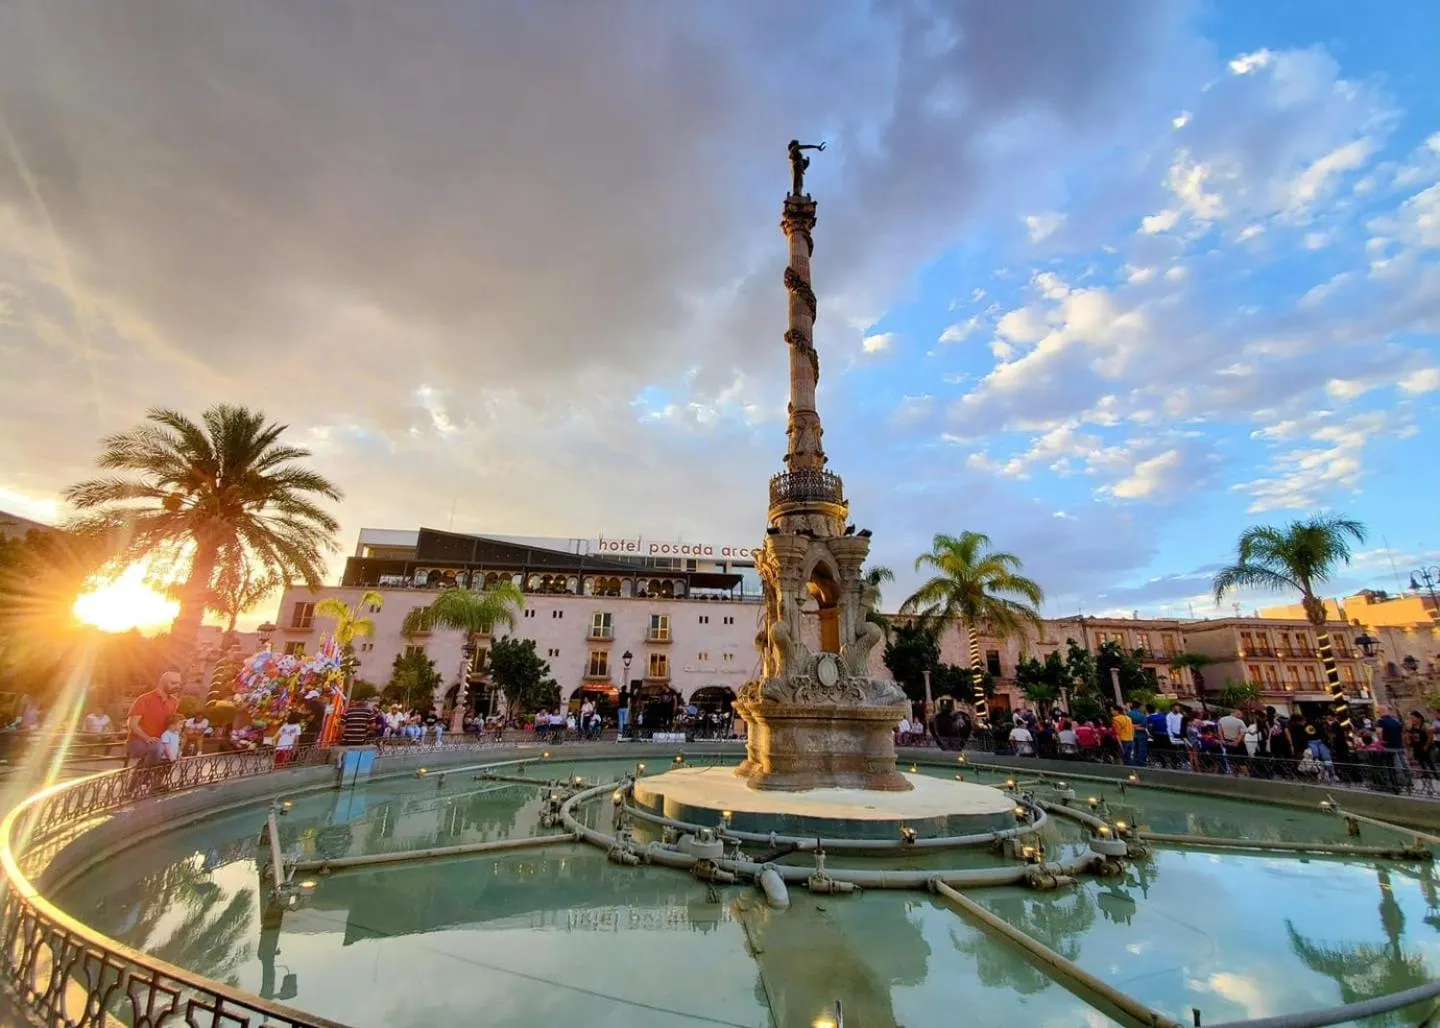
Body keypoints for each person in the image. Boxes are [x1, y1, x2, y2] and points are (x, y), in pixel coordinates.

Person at [127, 670, 182, 768]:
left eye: (179, 683)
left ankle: (151, 775)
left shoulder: (174, 701)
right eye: (173, 683)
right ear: (163, 683)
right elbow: (132, 724)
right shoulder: (144, 699)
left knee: (172, 751)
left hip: (162, 740)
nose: (177, 686)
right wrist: (147, 738)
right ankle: (144, 774)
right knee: (159, 747)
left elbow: (171, 723)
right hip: (138, 741)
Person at [1217, 709, 1248, 774]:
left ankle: (1235, 775)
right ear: (1236, 713)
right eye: (1240, 715)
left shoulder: (1221, 720)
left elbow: (1220, 731)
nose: (1241, 717)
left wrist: (1222, 740)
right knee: (1242, 762)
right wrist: (1237, 742)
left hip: (1228, 742)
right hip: (1238, 743)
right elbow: (1242, 733)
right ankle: (1247, 775)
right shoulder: (1240, 721)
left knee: (1232, 761)